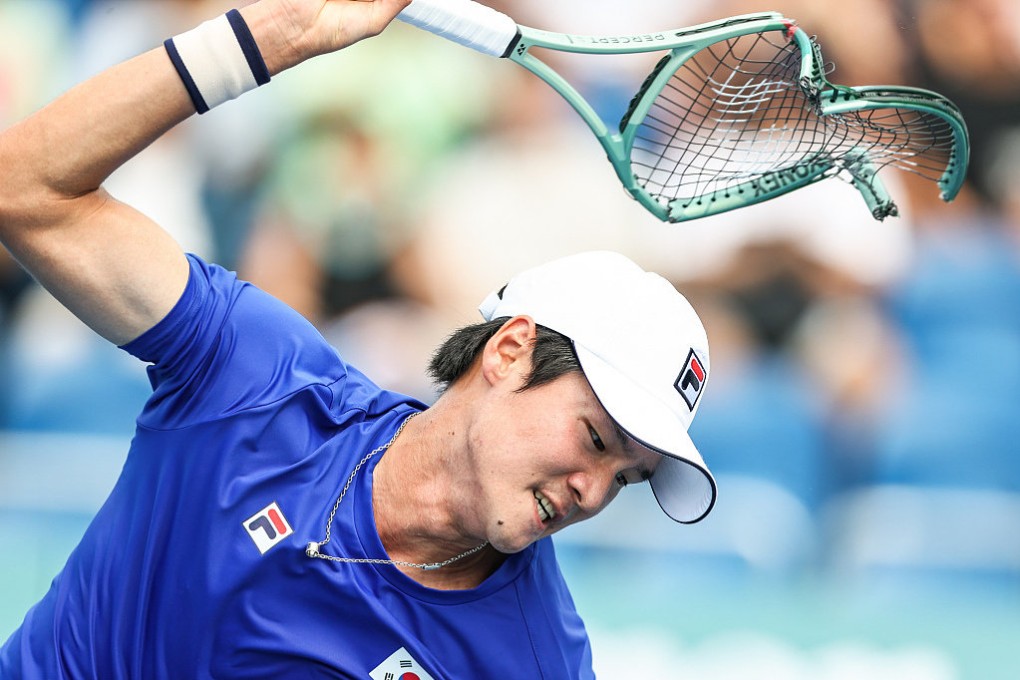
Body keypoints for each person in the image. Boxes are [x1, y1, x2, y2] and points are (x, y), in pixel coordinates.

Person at [0, 1, 717, 677]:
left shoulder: (535, 661)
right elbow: (24, 187)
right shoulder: (255, 374)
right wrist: (278, 35)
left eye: (627, 478)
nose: (592, 494)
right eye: (596, 440)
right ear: (509, 351)